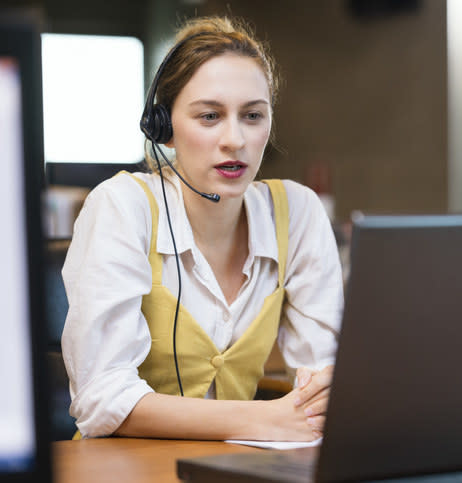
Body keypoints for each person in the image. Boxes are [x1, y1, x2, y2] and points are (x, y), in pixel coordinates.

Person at [61, 16, 343, 441]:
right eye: (210, 116)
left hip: (237, 467)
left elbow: (324, 381)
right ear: (164, 129)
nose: (235, 139)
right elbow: (101, 398)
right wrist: (263, 419)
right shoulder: (123, 206)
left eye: (252, 116)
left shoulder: (299, 211)